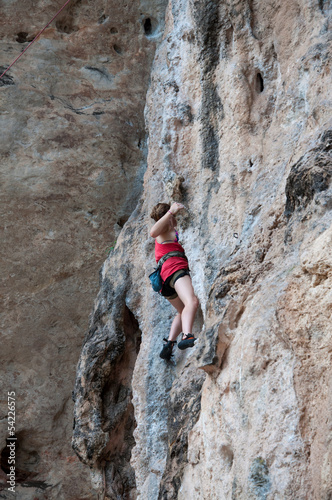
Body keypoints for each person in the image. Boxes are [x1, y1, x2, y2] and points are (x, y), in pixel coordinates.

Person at [150, 202, 199, 360]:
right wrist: (171, 212)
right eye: (174, 217)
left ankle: (169, 343)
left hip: (165, 280)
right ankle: (187, 336)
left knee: (182, 309)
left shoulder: (168, 231)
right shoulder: (164, 231)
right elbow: (153, 232)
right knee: (192, 301)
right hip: (175, 270)